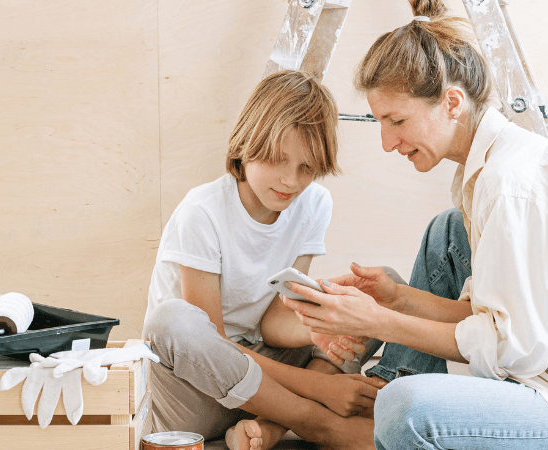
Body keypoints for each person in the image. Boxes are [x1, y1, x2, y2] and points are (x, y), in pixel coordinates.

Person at [278, 1, 548, 449]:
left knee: (405, 410)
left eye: (397, 121)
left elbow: (512, 350)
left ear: (452, 103)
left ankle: (383, 420)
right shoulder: (489, 170)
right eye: (380, 122)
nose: (387, 142)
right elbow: (495, 319)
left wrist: (378, 322)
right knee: (445, 232)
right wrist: (397, 298)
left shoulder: (511, 185)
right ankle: (386, 408)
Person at [141, 69, 383, 450]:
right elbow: (212, 342)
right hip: (199, 391)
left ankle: (268, 425)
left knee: (382, 288)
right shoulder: (201, 213)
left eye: (306, 167)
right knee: (171, 322)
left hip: (266, 375)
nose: (290, 181)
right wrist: (321, 386)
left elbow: (274, 322)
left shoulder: (313, 203)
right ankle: (316, 422)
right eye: (277, 160)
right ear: (247, 143)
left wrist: (321, 322)